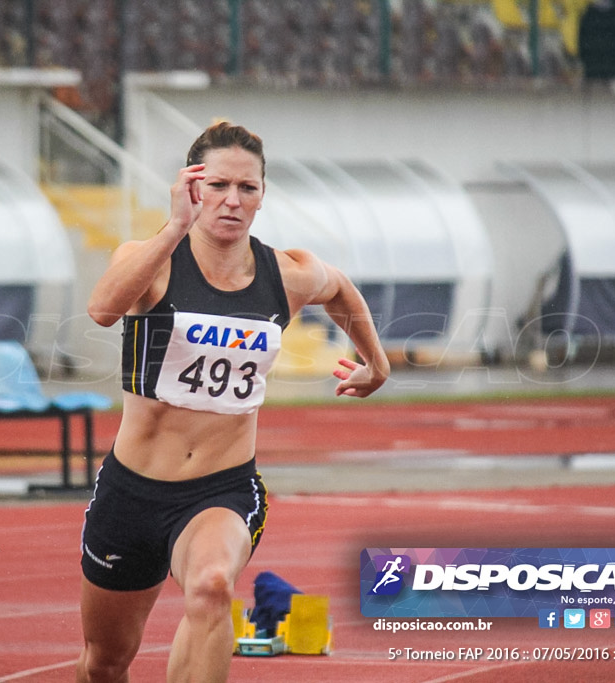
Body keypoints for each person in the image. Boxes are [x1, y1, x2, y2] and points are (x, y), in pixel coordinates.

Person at [78, 121, 390, 682]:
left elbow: (339, 287)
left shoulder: (285, 275)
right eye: (218, 185)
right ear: (192, 188)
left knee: (213, 586)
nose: (233, 200)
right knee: (104, 662)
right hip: (132, 490)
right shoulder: (152, 262)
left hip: (221, 487)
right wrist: (175, 227)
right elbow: (102, 309)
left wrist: (377, 362)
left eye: (248, 188)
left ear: (263, 195)